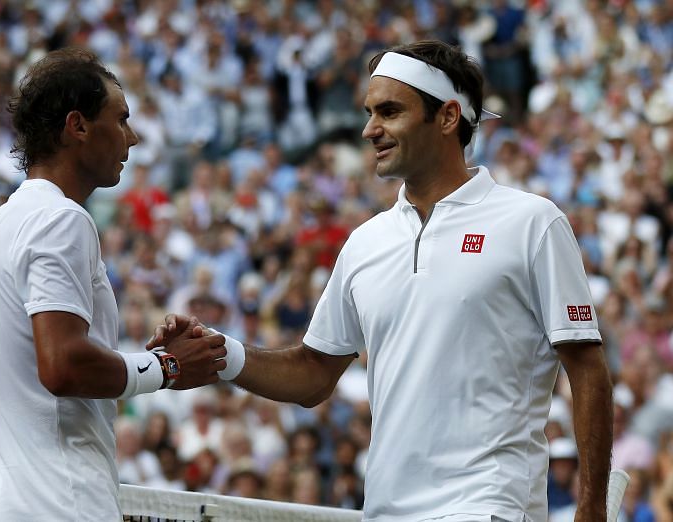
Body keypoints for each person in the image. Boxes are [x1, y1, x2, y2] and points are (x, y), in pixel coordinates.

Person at [151, 40, 613, 521]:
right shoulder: (365, 242)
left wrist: (591, 507)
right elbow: (313, 375)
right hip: (386, 512)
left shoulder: (533, 222)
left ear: (449, 117)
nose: (370, 129)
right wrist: (220, 353)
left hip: (488, 507)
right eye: (370, 113)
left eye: (389, 112)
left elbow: (586, 368)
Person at [0, 48, 227, 521]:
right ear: (77, 126)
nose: (132, 138)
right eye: (120, 119)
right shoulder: (61, 220)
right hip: (60, 507)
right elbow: (62, 366)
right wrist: (169, 366)